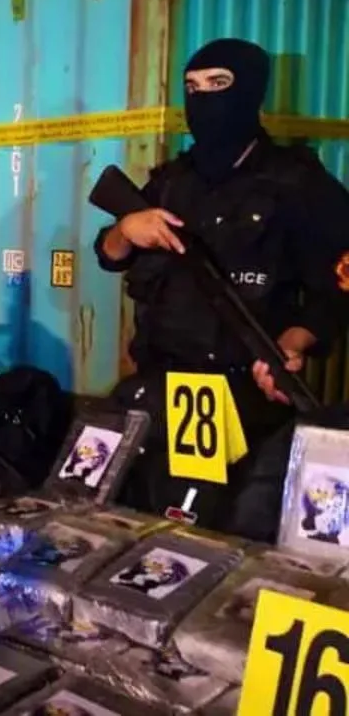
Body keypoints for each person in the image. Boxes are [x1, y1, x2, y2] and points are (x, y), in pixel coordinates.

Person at [94, 38, 349, 538]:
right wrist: (126, 228)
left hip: (247, 400)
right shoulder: (171, 181)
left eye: (218, 84)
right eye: (192, 87)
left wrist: (295, 341)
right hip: (157, 391)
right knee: (128, 531)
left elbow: (338, 289)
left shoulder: (298, 184)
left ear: (250, 90)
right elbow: (108, 255)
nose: (203, 98)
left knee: (227, 537)